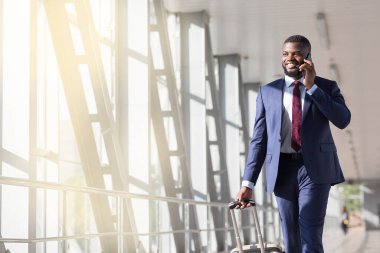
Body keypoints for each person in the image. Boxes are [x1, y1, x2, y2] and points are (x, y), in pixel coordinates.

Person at [235, 35, 351, 253]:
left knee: (310, 232)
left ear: (307, 57)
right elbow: (259, 139)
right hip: (282, 169)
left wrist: (312, 87)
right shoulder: (268, 91)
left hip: (314, 168)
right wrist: (247, 183)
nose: (290, 58)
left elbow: (343, 120)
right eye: (285, 53)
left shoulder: (326, 86)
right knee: (290, 234)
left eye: (296, 53)